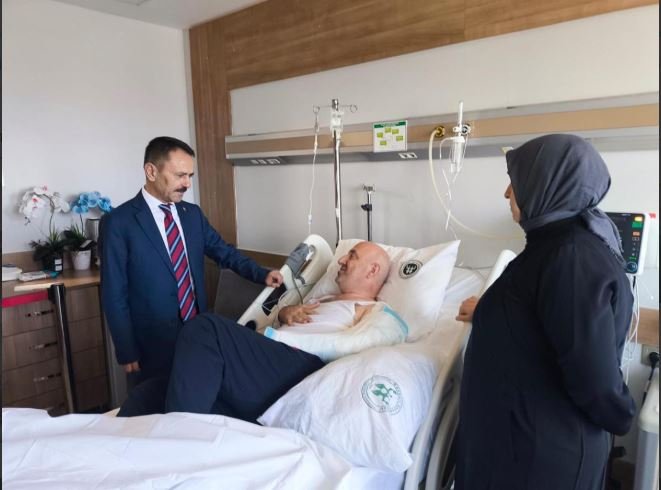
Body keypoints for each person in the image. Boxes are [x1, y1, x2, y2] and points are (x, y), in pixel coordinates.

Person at [454, 134, 636, 490]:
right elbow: (540, 318)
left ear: (547, 183)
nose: (507, 193)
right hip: (520, 448)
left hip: (540, 461)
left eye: (515, 181)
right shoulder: (553, 247)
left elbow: (595, 381)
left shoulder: (570, 258)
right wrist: (489, 313)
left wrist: (623, 415)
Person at [120, 241, 391, 420]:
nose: (342, 259)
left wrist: (281, 336)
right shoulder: (326, 298)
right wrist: (284, 313)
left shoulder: (374, 311)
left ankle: (179, 443)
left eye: (352, 256)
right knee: (151, 393)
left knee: (206, 329)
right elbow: (281, 323)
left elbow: (367, 343)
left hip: (301, 369)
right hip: (268, 365)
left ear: (373, 270)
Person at [100, 136, 283, 386]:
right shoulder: (119, 222)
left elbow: (224, 252)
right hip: (151, 342)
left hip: (197, 332)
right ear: (151, 171)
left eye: (190, 176)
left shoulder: (192, 215)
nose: (187, 183)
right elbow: (114, 293)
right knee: (155, 404)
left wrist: (261, 273)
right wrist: (126, 348)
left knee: (198, 395)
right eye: (180, 175)